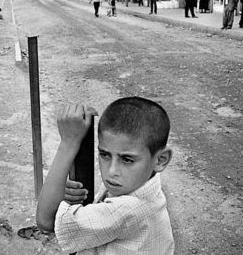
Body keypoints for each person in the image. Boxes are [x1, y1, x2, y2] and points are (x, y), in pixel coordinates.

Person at [36, 97, 174, 254]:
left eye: (127, 159)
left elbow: (46, 221)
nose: (111, 171)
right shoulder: (147, 187)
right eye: (104, 154)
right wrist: (60, 195)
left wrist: (68, 142)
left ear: (161, 159)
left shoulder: (127, 210)